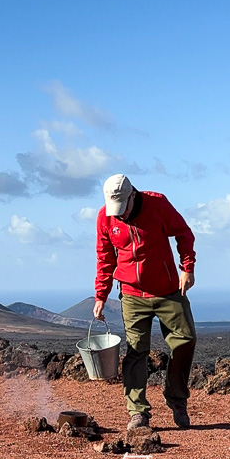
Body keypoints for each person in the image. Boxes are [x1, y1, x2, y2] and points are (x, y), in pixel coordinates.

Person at [93, 173, 197, 431]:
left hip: (168, 291)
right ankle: (138, 412)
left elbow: (184, 234)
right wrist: (100, 296)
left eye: (123, 208)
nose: (119, 215)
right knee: (136, 350)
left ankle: (176, 399)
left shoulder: (157, 204)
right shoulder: (105, 216)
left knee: (186, 339)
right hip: (131, 294)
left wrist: (187, 267)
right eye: (114, 210)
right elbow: (105, 258)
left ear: (133, 196)